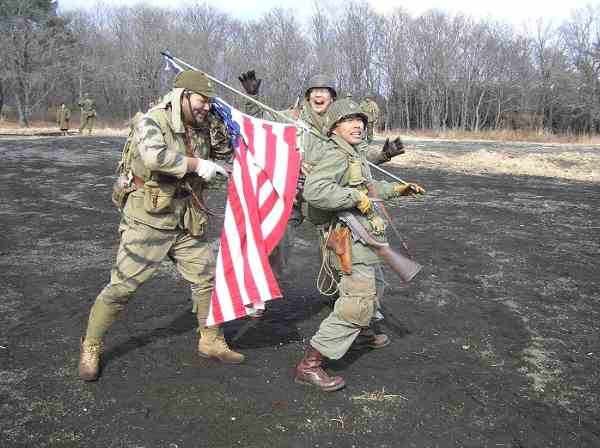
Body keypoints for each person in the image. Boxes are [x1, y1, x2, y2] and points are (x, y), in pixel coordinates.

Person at [78, 70, 244, 382]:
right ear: (183, 96)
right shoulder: (152, 120)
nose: (206, 107)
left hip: (187, 216)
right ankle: (91, 345)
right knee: (122, 287)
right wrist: (197, 164)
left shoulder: (205, 125)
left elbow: (228, 153)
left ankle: (210, 339)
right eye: (202, 100)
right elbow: (155, 158)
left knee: (207, 278)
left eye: (210, 102)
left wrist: (228, 135)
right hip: (149, 218)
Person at [294, 98, 425, 391]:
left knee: (375, 288)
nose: (357, 125)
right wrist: (354, 198)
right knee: (357, 302)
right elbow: (316, 191)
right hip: (349, 237)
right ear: (334, 127)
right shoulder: (336, 155)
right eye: (349, 120)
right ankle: (310, 365)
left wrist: (399, 189)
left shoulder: (354, 154)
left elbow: (369, 189)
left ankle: (361, 334)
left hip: (364, 237)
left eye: (360, 121)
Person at [237, 71, 405, 285]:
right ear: (308, 96)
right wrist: (252, 97)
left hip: (327, 191)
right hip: (293, 192)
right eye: (314, 91)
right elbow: (258, 120)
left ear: (332, 97)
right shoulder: (292, 117)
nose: (318, 95)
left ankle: (336, 291)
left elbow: (360, 154)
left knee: (335, 243)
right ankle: (263, 286)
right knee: (277, 239)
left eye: (324, 91)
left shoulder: (341, 122)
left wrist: (383, 154)